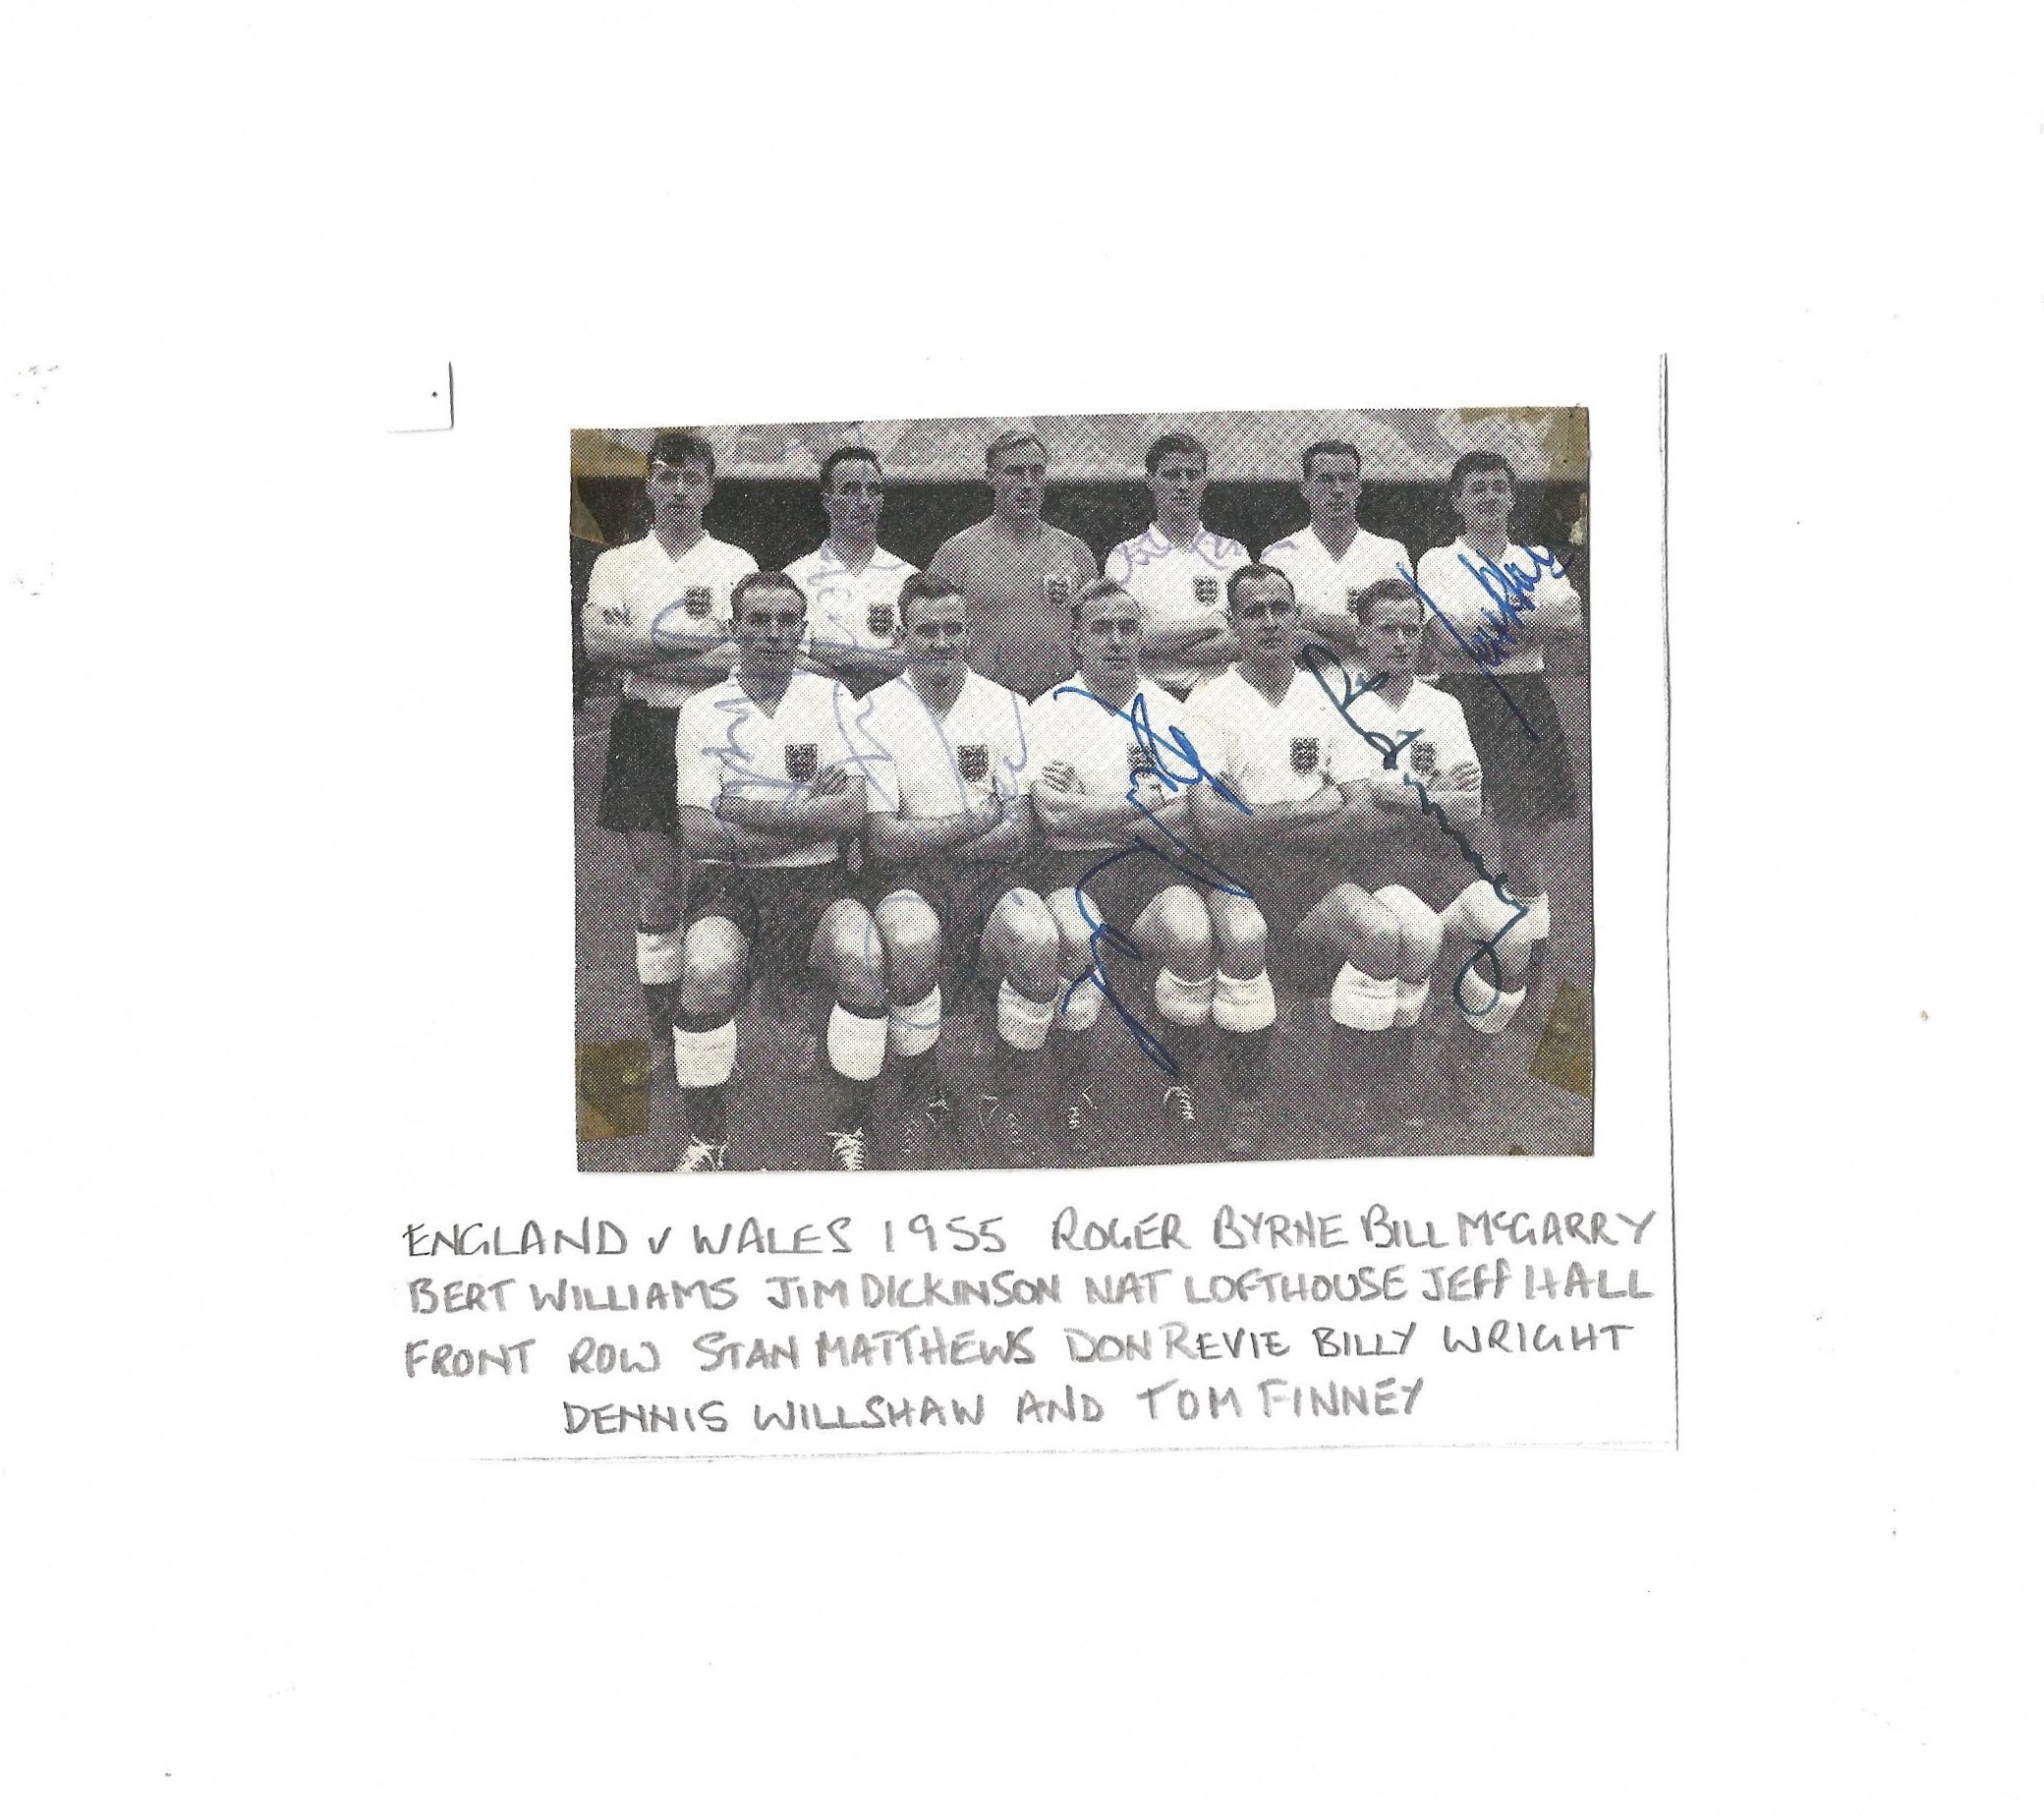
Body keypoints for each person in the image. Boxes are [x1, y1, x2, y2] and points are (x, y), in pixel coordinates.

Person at [1176, 564, 1411, 1158]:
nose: (1271, 623)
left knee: (1384, 934)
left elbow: (1363, 808)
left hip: (1315, 878)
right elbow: (1208, 821)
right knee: (1241, 935)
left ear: (1298, 616)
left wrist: (1266, 815)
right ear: (1231, 624)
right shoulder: (1206, 702)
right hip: (1233, 880)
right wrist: (1311, 808)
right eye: (1253, 612)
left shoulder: (1327, 694)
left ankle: (1357, 1099)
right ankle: (1238, 1103)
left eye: (1281, 608)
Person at [669, 573, 890, 1171]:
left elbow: (853, 814)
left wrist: (750, 808)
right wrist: (805, 810)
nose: (771, 635)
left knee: (866, 965)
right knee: (706, 971)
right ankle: (706, 1136)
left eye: (785, 622)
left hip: (818, 879)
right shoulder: (701, 710)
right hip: (731, 883)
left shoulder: (833, 698)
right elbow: (698, 831)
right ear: (734, 628)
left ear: (803, 630)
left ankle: (851, 1126)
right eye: (757, 621)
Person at [580, 432, 756, 1154]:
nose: (680, 490)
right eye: (667, 477)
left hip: (717, 731)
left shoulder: (736, 564)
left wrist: (650, 646)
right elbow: (600, 647)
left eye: (693, 479)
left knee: (722, 881)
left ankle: (707, 1027)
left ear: (711, 489)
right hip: (644, 731)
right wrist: (694, 648)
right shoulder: (617, 562)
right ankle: (657, 1039)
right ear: (649, 487)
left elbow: (742, 651)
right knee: (656, 889)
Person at [855, 573, 1063, 1168]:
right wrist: (972, 826)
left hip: (994, 877)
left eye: (953, 630)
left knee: (1038, 939)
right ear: (903, 637)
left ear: (970, 635)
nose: (941, 644)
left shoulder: (1005, 705)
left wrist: (945, 834)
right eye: (926, 632)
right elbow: (881, 842)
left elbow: (1025, 823)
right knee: (913, 940)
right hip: (909, 885)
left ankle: (1011, 1091)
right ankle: (923, 1084)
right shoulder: (873, 712)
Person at [1317, 577, 1532, 1140]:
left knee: (1518, 930)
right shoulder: (1340, 707)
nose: (1400, 640)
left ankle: (1473, 1061)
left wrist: (1403, 792)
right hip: (1370, 867)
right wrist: (1429, 792)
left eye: (1411, 629)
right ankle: (1380, 1072)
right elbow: (1359, 806)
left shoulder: (1445, 707)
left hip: (1445, 866)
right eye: (1386, 628)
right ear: (1359, 635)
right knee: (1413, 938)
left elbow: (1469, 803)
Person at [1025, 579, 1232, 1158]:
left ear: (1146, 638)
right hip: (1075, 871)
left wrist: (1101, 813)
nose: (1115, 642)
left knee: (1191, 934)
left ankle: (1178, 1084)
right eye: (1100, 629)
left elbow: (1191, 811)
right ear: (1075, 638)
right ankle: (1075, 1091)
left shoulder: (1172, 712)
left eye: (1127, 629)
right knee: (1073, 940)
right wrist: (1142, 812)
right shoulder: (1049, 711)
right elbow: (1054, 818)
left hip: (1158, 873)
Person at [1412, 452, 1581, 1069]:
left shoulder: (1537, 560)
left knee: (1530, 844)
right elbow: (1444, 635)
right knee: (1475, 840)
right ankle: (1469, 974)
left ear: (1512, 499)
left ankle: (1523, 983)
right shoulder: (1436, 561)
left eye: (1497, 488)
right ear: (1457, 501)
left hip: (1527, 701)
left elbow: (1570, 622)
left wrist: (1499, 626)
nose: (1486, 498)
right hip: (1468, 701)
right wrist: (1524, 625)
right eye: (1474, 489)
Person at [925, 427, 1099, 702]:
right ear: (991, 478)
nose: (1027, 484)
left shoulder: (1075, 552)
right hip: (986, 706)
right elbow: (931, 635)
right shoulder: (957, 552)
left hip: (1059, 705)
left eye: (1036, 472)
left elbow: (1095, 634)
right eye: (1015, 472)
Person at [1101, 432, 1251, 699]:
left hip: (1219, 699)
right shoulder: (1124, 557)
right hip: (1153, 699)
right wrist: (1212, 624)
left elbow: (1244, 640)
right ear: (1151, 481)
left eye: (1192, 475)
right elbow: (1135, 641)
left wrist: (1163, 645)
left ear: (1204, 481)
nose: (1183, 485)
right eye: (1172, 475)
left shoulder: (1233, 554)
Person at [1260, 439, 1413, 657]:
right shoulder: (1278, 556)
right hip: (1304, 685)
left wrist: (1312, 620)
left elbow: (1400, 636)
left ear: (1358, 488)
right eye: (1326, 479)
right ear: (1305, 489)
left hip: (1370, 685)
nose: (1338, 489)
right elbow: (1279, 640)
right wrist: (1359, 636)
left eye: (1346, 479)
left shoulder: (1390, 553)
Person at [783, 446, 914, 695]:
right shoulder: (796, 577)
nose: (864, 501)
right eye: (850, 490)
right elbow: (785, 658)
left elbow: (916, 660)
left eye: (873, 490)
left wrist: (827, 654)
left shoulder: (908, 577)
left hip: (890, 717)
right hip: (817, 713)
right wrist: (880, 662)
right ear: (827, 501)